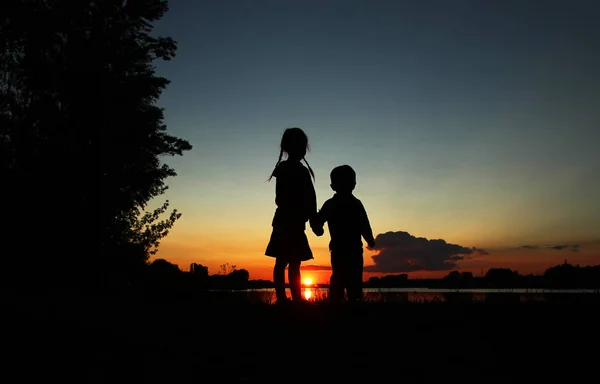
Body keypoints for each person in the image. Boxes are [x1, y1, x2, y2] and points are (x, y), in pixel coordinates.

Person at [265, 127, 318, 303]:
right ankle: (291, 298)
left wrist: (311, 219)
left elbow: (307, 198)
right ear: (289, 147)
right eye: (301, 145)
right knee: (289, 262)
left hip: (286, 221)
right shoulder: (297, 171)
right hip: (290, 222)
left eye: (304, 146)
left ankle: (290, 297)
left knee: (287, 262)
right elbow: (310, 198)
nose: (303, 149)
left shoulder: (283, 169)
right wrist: (313, 220)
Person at [311, 165, 375, 302]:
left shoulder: (331, 204)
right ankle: (350, 301)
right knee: (352, 277)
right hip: (351, 249)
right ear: (354, 185)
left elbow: (318, 221)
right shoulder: (355, 204)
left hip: (342, 248)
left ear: (332, 186)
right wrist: (370, 239)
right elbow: (365, 224)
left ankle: (338, 301)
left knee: (342, 276)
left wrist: (318, 229)